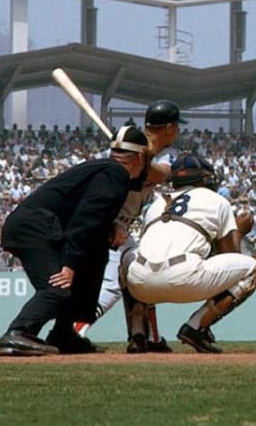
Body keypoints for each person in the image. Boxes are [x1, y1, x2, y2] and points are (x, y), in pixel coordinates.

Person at [0, 125, 148, 357]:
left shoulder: (107, 170)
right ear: (139, 157)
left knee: (95, 257)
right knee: (59, 287)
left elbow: (91, 220)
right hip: (34, 227)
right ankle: (18, 332)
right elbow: (86, 218)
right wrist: (69, 264)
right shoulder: (116, 174)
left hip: (38, 225)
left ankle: (63, 335)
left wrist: (113, 225)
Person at [122, 154, 256, 354]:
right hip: (185, 279)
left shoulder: (155, 205)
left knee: (129, 257)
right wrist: (239, 232)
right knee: (255, 268)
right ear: (205, 179)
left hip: (141, 285)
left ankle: (139, 335)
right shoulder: (217, 200)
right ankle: (196, 327)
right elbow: (229, 254)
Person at [76, 99, 184, 351]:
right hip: (104, 221)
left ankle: (144, 337)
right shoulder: (127, 146)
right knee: (111, 287)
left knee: (140, 274)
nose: (178, 131)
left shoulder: (164, 153)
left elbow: (161, 174)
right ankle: (72, 331)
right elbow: (102, 182)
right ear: (169, 127)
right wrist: (126, 156)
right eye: (176, 126)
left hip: (122, 226)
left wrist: (143, 158)